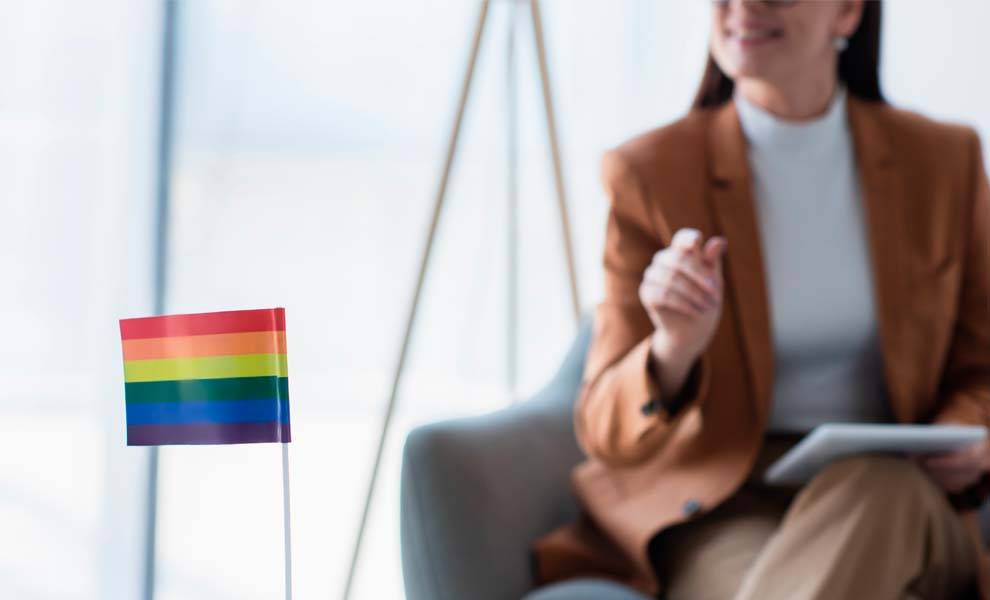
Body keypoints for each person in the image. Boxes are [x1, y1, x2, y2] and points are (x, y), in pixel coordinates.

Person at [531, 1, 990, 598]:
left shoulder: (942, 162)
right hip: (725, 502)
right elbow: (603, 428)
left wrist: (968, 432)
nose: (744, 7)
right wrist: (674, 348)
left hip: (901, 487)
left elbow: (981, 366)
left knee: (877, 489)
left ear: (847, 12)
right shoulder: (650, 173)